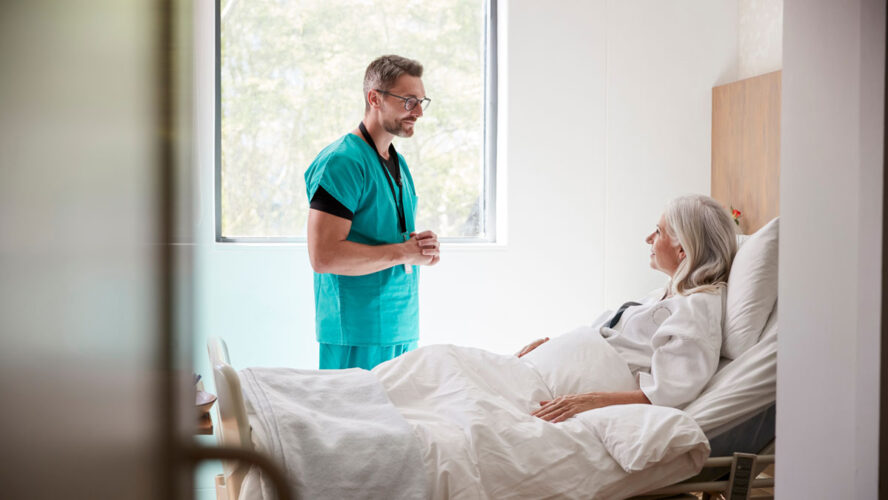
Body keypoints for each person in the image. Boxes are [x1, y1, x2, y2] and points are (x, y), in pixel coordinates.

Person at [518, 194, 738, 422]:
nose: (648, 238)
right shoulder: (672, 292)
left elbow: (667, 393)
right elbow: (617, 338)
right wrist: (552, 347)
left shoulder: (697, 311)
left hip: (563, 391)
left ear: (682, 249)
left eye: (658, 232)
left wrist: (589, 401)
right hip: (546, 374)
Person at [305, 55, 440, 370]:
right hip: (357, 332)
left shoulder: (398, 164)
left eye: (421, 102)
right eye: (409, 101)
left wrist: (419, 247)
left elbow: (386, 235)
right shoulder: (342, 162)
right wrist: (403, 252)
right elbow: (323, 257)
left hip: (401, 325)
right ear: (374, 98)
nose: (418, 112)